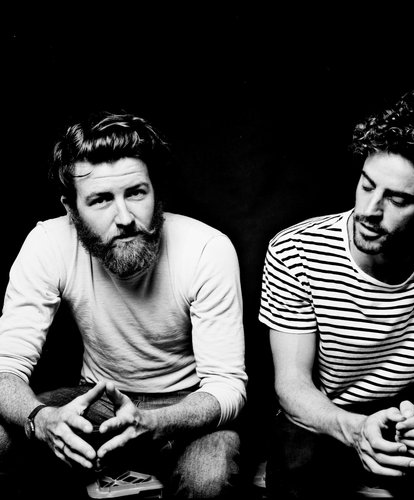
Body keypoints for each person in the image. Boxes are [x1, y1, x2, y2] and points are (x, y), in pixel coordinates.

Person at [259, 89, 414, 499]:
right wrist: (353, 430)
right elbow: (292, 383)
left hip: (411, 413)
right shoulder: (295, 249)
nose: (369, 210)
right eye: (366, 185)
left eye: (398, 199)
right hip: (322, 415)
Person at [0, 111, 247, 499]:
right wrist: (40, 419)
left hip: (186, 406)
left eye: (136, 193)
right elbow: (5, 368)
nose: (125, 218)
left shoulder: (206, 248)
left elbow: (227, 386)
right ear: (71, 209)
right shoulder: (48, 243)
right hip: (97, 399)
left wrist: (159, 421)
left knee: (208, 479)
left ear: (155, 192)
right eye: (101, 200)